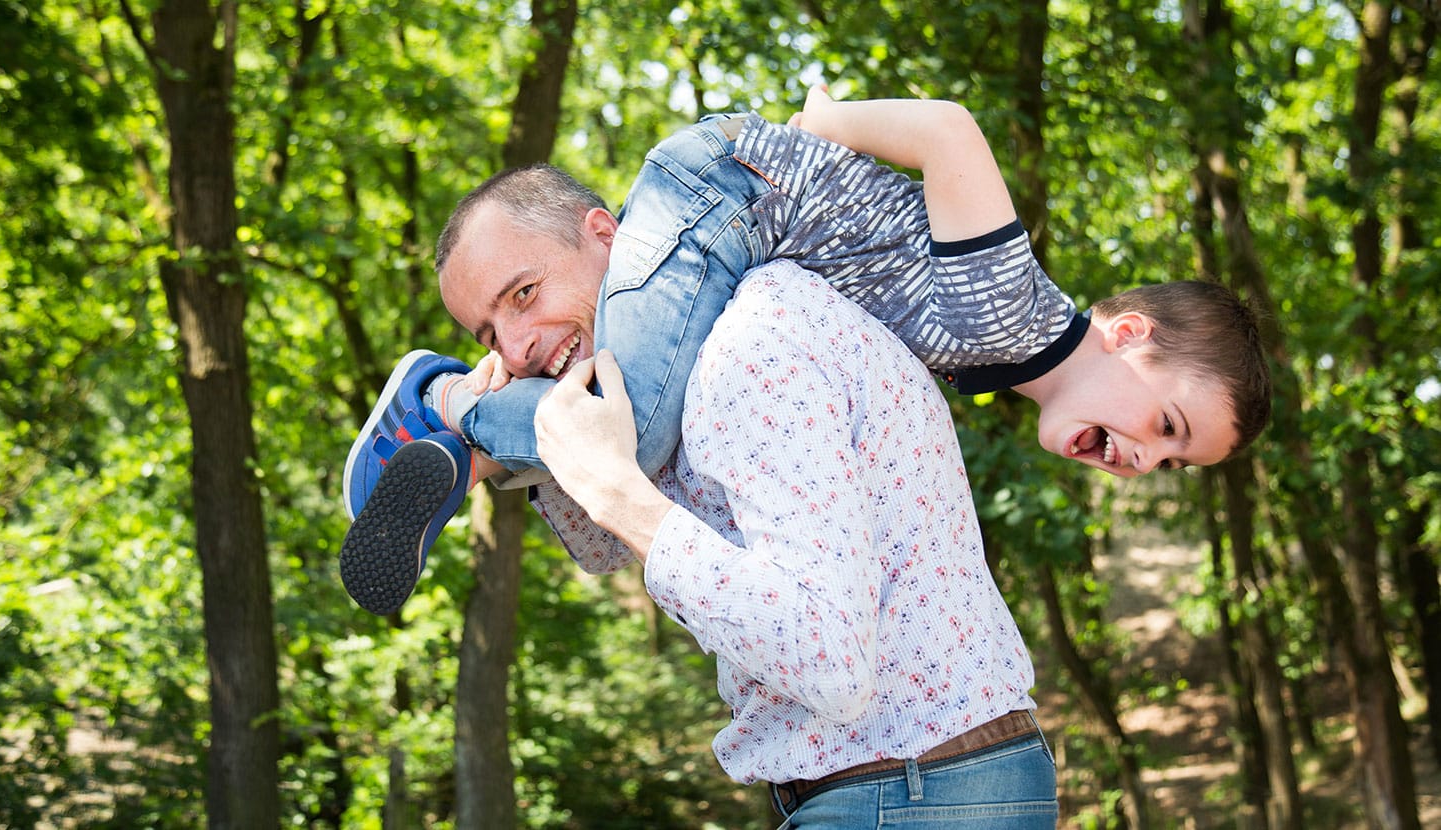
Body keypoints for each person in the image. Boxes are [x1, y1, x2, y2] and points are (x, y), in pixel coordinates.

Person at [337, 90, 1270, 615]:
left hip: (728, 204)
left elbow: (619, 522)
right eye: (1167, 424)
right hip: (725, 194)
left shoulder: (1000, 357)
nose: (1145, 460)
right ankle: (448, 407)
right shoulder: (1012, 317)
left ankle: (480, 450)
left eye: (1173, 462)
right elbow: (950, 129)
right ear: (1131, 333)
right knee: (635, 418)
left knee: (628, 431)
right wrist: (822, 127)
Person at [535, 260, 1059, 824]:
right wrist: (480, 420)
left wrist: (624, 501)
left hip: (912, 788)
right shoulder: (699, 360)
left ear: (603, 236)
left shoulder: (753, 343)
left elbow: (830, 665)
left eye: (524, 293)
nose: (516, 347)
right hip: (917, 782)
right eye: (487, 335)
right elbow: (602, 548)